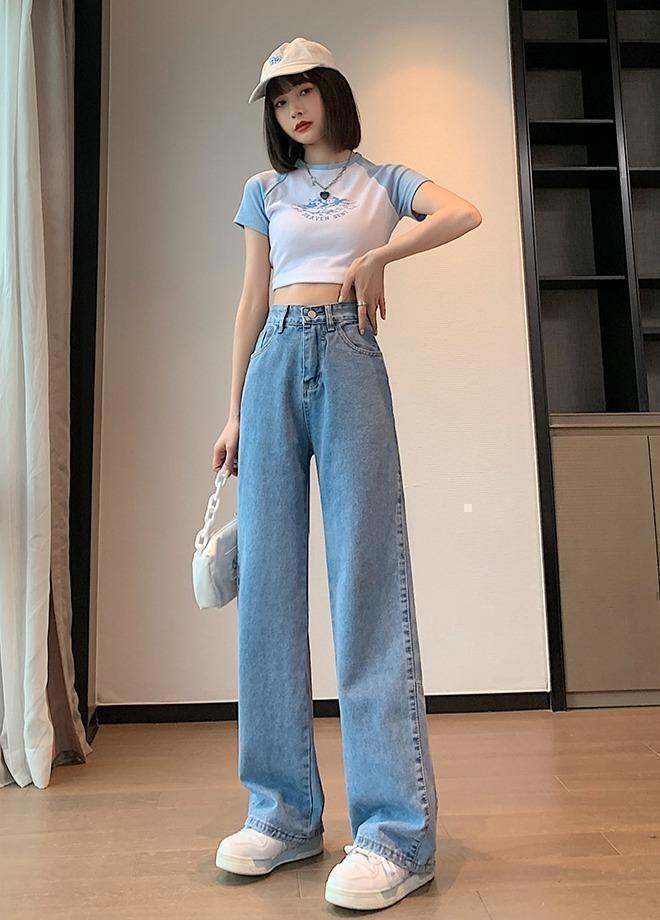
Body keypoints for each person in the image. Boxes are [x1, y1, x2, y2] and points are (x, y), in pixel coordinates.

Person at [212, 37, 482, 911]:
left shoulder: (384, 180)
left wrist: (379, 259)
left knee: (366, 582)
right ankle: (283, 813)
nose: (293, 107)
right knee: (268, 591)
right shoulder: (264, 191)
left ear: (331, 92)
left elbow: (464, 212)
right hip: (274, 363)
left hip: (349, 355)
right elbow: (251, 299)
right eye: (279, 97)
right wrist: (233, 413)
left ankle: (396, 834)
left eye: (304, 90)